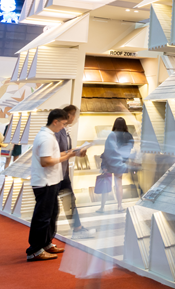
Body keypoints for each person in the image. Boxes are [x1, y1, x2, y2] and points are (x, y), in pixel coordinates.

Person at [27, 108, 77, 262]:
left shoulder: (49, 136)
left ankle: (46, 243)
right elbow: (46, 161)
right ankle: (35, 250)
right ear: (55, 122)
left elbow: (52, 156)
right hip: (45, 182)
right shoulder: (46, 138)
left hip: (51, 181)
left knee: (51, 213)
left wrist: (69, 153)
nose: (63, 127)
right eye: (63, 124)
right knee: (42, 217)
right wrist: (66, 157)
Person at [56, 105, 95, 238]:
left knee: (69, 201)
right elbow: (56, 153)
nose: (76, 119)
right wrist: (73, 152)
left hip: (63, 173)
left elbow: (64, 151)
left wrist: (77, 152)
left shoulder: (65, 130)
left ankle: (77, 229)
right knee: (55, 206)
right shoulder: (58, 131)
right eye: (76, 116)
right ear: (70, 115)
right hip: (56, 174)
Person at [98, 117, 134, 213]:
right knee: (119, 184)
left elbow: (107, 151)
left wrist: (104, 165)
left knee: (106, 184)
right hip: (121, 164)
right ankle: (120, 206)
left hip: (110, 163)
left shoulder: (112, 135)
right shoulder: (129, 136)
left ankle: (102, 207)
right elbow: (129, 150)